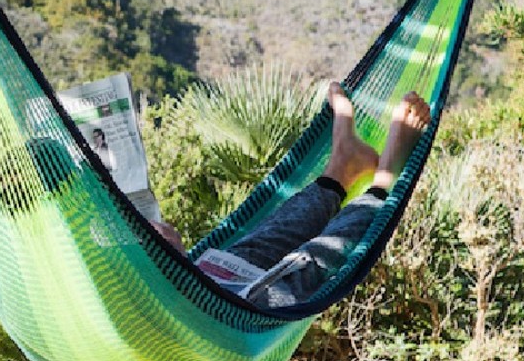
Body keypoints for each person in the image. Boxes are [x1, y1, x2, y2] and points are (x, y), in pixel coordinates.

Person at [152, 83, 431, 309]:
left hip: (199, 297)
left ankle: (340, 170)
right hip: (208, 335)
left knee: (254, 251)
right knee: (301, 273)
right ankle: (383, 181)